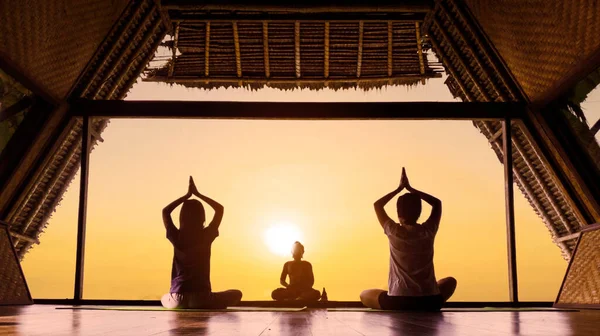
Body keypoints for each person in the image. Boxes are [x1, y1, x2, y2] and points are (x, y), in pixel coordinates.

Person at [360, 168, 457, 311]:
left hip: (398, 301)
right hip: (430, 301)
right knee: (450, 282)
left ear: (399, 215)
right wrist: (412, 189)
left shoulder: (394, 231)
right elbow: (437, 203)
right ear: (419, 213)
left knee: (364, 294)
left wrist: (399, 189)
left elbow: (377, 205)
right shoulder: (428, 230)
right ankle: (426, 297)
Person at [161, 176, 242, 309]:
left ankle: (179, 301)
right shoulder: (206, 235)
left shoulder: (176, 236)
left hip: (177, 299)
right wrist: (198, 195)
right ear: (202, 217)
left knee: (165, 297)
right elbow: (219, 209)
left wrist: (186, 196)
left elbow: (165, 211)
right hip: (202, 298)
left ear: (182, 217)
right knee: (236, 293)